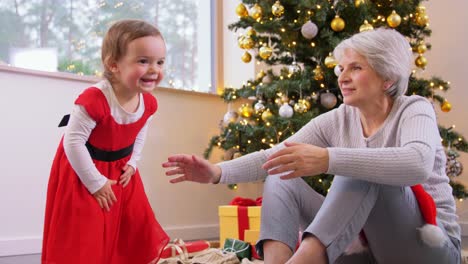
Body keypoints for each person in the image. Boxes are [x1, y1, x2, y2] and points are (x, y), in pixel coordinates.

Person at [162, 28, 461, 264]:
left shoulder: (414, 109)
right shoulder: (339, 119)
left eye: (355, 68)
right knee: (281, 171)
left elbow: (417, 163)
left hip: (426, 247)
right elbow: (274, 156)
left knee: (359, 166)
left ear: (387, 77)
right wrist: (215, 171)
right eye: (341, 69)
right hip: (362, 248)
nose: (342, 77)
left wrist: (329, 159)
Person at [42, 19, 169, 264]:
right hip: (85, 170)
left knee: (129, 228)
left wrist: (133, 163)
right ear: (114, 65)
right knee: (85, 233)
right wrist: (95, 182)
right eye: (143, 61)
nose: (154, 69)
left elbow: (139, 132)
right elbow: (73, 142)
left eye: (159, 62)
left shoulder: (148, 103)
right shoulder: (95, 100)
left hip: (120, 171)